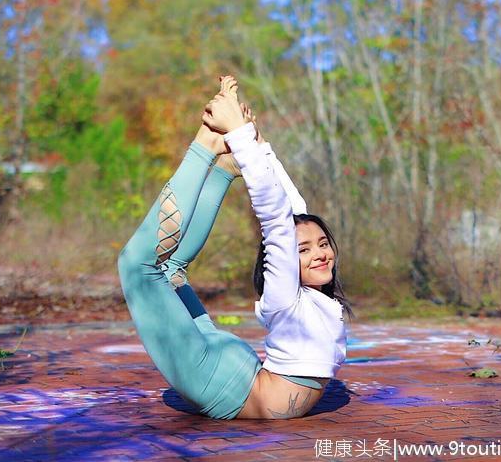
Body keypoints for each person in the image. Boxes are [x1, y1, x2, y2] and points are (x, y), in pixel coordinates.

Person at [117, 76, 350, 420]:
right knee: (136, 265)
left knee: (167, 270)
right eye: (302, 250)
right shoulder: (284, 290)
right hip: (228, 380)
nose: (319, 252)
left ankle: (224, 165)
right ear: (285, 257)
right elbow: (275, 217)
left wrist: (255, 145)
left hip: (231, 375)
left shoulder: (309, 297)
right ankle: (207, 145)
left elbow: (292, 211)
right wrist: (240, 136)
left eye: (322, 244)